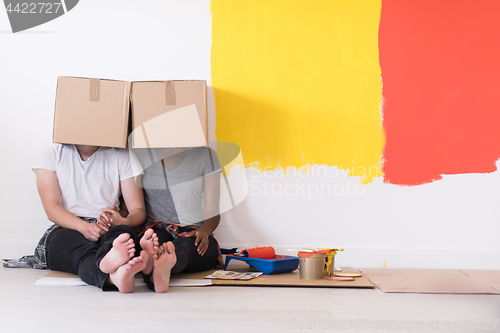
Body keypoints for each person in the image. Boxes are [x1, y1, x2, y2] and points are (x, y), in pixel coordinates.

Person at [32, 143, 147, 292]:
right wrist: (84, 227)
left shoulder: (122, 155)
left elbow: (137, 210)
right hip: (68, 227)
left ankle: (114, 270)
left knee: (123, 234)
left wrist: (123, 221)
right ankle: (113, 274)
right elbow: (51, 209)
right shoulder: (52, 154)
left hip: (108, 227)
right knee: (80, 250)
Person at [121, 146, 222, 293]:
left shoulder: (205, 155)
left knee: (186, 246)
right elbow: (128, 206)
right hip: (155, 229)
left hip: (192, 230)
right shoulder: (140, 155)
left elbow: (213, 210)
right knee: (156, 243)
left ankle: (160, 263)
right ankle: (156, 263)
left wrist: (205, 231)